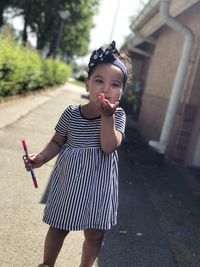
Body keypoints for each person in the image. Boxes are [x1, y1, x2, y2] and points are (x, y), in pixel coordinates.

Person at [23, 40, 130, 267]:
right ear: (87, 84)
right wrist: (41, 158)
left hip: (99, 188)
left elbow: (109, 146)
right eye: (99, 80)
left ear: (121, 91)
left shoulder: (117, 117)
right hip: (70, 183)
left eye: (115, 84)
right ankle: (47, 263)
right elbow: (57, 141)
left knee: (95, 235)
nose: (106, 88)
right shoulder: (71, 113)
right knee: (59, 227)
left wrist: (107, 117)